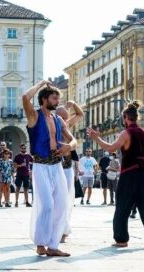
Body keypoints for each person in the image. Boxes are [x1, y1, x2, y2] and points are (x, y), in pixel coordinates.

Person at [87, 101, 144, 249]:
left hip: (128, 175)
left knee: (122, 207)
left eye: (123, 118)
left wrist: (96, 138)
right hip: (143, 175)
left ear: (126, 117)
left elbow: (110, 148)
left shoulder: (126, 133)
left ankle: (121, 239)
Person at [23, 80, 76, 257]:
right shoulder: (34, 116)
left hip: (57, 165)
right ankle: (40, 243)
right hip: (40, 165)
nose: (57, 102)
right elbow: (25, 97)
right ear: (45, 99)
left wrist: (69, 147)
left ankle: (53, 246)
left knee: (61, 205)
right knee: (46, 205)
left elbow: (73, 140)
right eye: (54, 98)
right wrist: (40, 85)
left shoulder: (58, 119)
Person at [55, 103, 83, 242]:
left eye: (66, 117)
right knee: (58, 201)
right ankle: (58, 229)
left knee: (68, 201)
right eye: (63, 117)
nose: (66, 119)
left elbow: (80, 114)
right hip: (56, 165)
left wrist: (73, 104)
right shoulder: (53, 125)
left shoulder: (66, 125)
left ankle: (64, 230)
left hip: (67, 167)